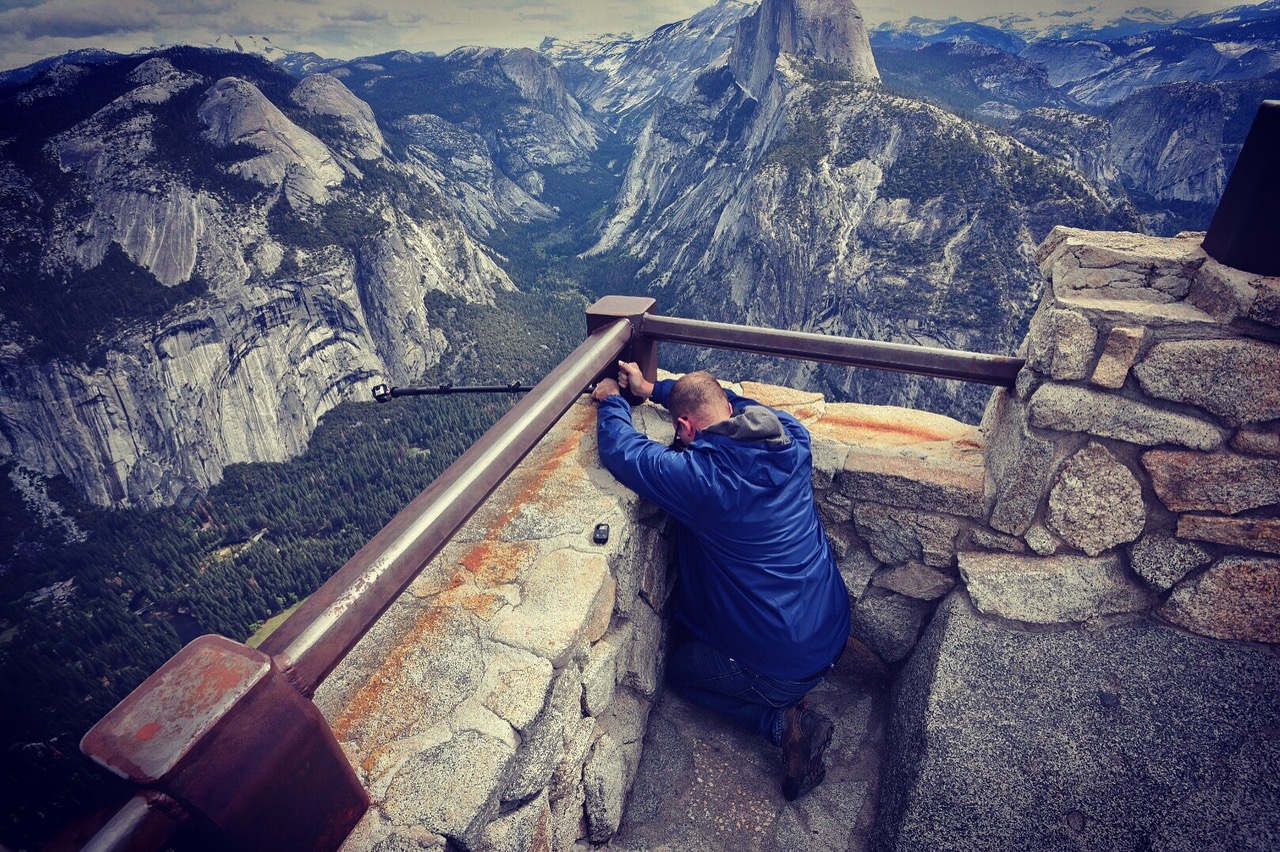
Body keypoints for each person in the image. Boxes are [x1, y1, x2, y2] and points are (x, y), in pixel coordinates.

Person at [592, 362, 850, 801]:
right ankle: (782, 695)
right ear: (730, 410)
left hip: (787, 663)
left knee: (681, 673)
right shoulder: (790, 434)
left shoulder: (703, 482)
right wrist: (655, 388)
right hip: (834, 628)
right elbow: (733, 399)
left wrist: (613, 401)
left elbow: (625, 452)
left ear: (684, 429)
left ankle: (782, 725)